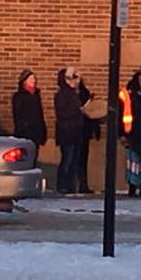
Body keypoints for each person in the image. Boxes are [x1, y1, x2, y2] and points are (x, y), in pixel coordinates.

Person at [54, 67, 85, 195]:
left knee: (74, 161)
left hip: (76, 132)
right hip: (67, 132)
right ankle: (63, 185)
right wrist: (78, 111)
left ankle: (72, 186)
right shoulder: (62, 94)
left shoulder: (73, 94)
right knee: (67, 160)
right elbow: (61, 113)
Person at [76, 76, 101, 194]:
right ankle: (77, 184)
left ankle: (83, 184)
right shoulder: (69, 95)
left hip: (84, 131)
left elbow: (92, 113)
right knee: (75, 159)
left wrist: (96, 130)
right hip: (75, 131)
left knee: (82, 159)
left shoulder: (84, 93)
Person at [11, 69, 47, 151]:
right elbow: (18, 115)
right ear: (24, 81)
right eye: (31, 79)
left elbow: (40, 114)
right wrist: (23, 127)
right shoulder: (19, 96)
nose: (33, 81)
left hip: (36, 131)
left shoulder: (36, 95)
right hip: (25, 132)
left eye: (34, 79)